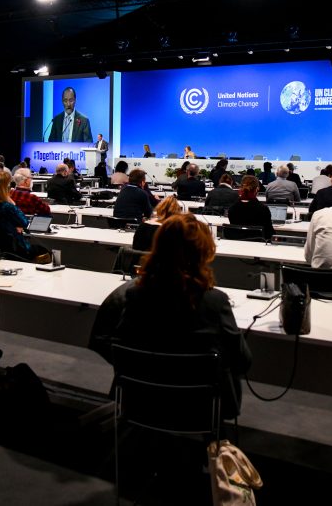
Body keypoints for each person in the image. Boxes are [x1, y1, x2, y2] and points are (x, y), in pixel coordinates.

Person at [89, 214, 252, 417]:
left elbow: (119, 347)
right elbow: (242, 361)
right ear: (203, 253)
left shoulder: (135, 295)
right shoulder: (215, 302)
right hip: (199, 407)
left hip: (141, 400)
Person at [0, 170, 33, 258]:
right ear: (4, 187)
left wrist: (13, 226)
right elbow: (25, 222)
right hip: (11, 247)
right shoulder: (7, 206)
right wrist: (13, 203)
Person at [227, 175, 274, 240]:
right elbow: (269, 233)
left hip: (236, 243)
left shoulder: (232, 208)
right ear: (257, 189)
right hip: (258, 243)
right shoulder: (263, 209)